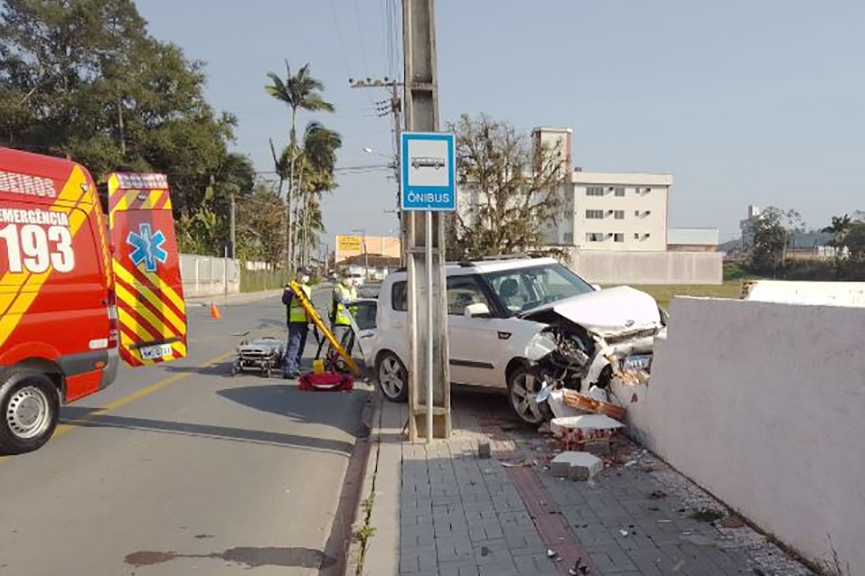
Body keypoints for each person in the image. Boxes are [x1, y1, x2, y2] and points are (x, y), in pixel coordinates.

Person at [282, 266, 312, 378]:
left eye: (308, 275)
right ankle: (288, 369)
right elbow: (285, 300)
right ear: (298, 274)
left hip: (305, 321)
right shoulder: (291, 286)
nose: (306, 277)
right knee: (294, 345)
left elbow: (309, 304)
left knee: (301, 346)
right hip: (294, 320)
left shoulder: (307, 288)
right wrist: (293, 294)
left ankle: (295, 366)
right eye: (305, 274)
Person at [330, 270, 358, 356]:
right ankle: (334, 362)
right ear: (342, 277)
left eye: (349, 276)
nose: (348, 279)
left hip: (351, 322)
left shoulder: (353, 290)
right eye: (345, 277)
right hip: (339, 322)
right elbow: (337, 300)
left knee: (348, 347)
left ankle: (345, 363)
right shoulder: (338, 288)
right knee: (336, 347)